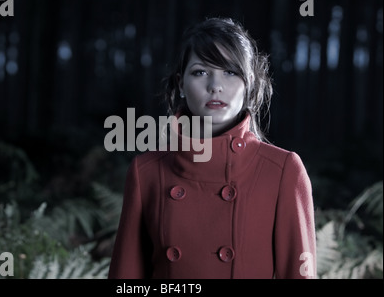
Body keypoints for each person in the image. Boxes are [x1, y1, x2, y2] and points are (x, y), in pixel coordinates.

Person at [108, 17, 316, 279]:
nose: (215, 86)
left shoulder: (282, 171)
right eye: (200, 72)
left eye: (229, 72)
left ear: (249, 82)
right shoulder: (145, 172)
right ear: (181, 83)